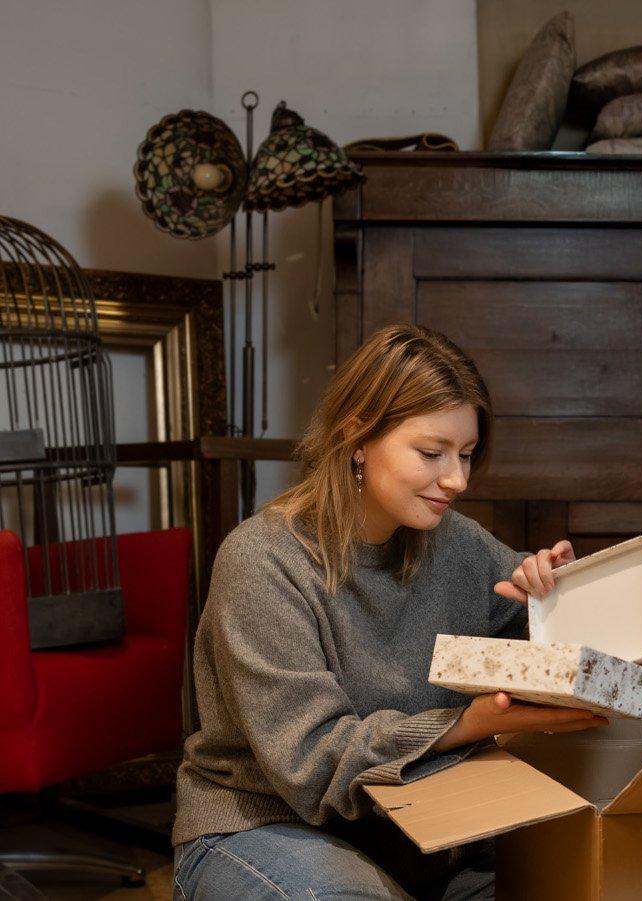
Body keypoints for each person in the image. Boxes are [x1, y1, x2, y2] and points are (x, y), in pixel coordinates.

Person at [172, 324, 602, 900]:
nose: (456, 480)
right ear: (357, 437)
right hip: (263, 823)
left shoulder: (457, 543)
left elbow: (541, 649)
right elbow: (312, 764)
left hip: (418, 826)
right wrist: (465, 724)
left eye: (467, 455)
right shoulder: (262, 560)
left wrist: (558, 596)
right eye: (431, 453)